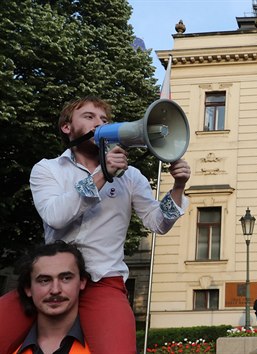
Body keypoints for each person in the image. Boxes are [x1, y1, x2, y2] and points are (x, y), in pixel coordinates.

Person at [0, 96, 190, 354]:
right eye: (89, 117)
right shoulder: (47, 169)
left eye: (104, 119)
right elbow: (56, 216)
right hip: (50, 278)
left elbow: (158, 223)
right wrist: (103, 175)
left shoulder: (130, 176)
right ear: (67, 127)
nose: (99, 123)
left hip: (103, 280)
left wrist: (178, 188)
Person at [13, 241, 90, 354]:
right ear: (28, 288)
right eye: (44, 280)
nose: (55, 290)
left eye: (66, 278)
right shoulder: (9, 346)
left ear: (82, 282)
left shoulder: (106, 344)